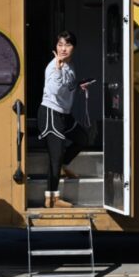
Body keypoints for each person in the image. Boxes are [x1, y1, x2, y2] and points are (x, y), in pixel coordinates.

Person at [37, 31, 89, 208]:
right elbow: (55, 90)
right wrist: (58, 68)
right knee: (55, 155)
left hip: (64, 114)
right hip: (50, 113)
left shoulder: (70, 65)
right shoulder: (53, 67)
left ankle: (63, 165)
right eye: (60, 45)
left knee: (82, 138)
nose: (63, 48)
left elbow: (68, 86)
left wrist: (79, 85)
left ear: (73, 47)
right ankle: (52, 199)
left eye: (67, 45)